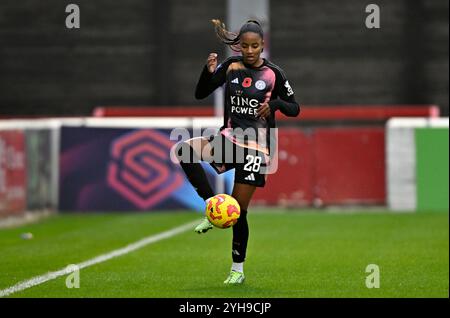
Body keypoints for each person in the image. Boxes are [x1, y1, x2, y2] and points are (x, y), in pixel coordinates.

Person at [174, 19, 300, 284]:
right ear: (239, 46)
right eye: (245, 46)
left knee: (239, 212)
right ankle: (211, 205)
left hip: (257, 148)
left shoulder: (274, 74)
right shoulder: (230, 67)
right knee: (184, 150)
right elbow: (200, 93)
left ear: (263, 45)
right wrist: (207, 72)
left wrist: (275, 104)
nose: (250, 50)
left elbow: (295, 107)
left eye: (255, 46)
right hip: (229, 139)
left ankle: (237, 270)